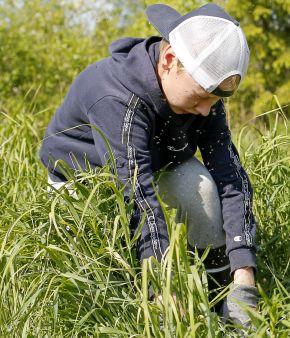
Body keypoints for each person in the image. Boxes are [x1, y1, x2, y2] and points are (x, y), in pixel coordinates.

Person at [39, 3, 258, 327]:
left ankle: (220, 304)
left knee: (205, 193)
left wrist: (245, 276)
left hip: (155, 163)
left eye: (214, 102)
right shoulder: (115, 95)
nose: (204, 111)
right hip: (81, 179)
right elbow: (136, 196)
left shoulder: (203, 94)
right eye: (199, 98)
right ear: (170, 60)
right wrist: (162, 288)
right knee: (88, 271)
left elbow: (230, 176)